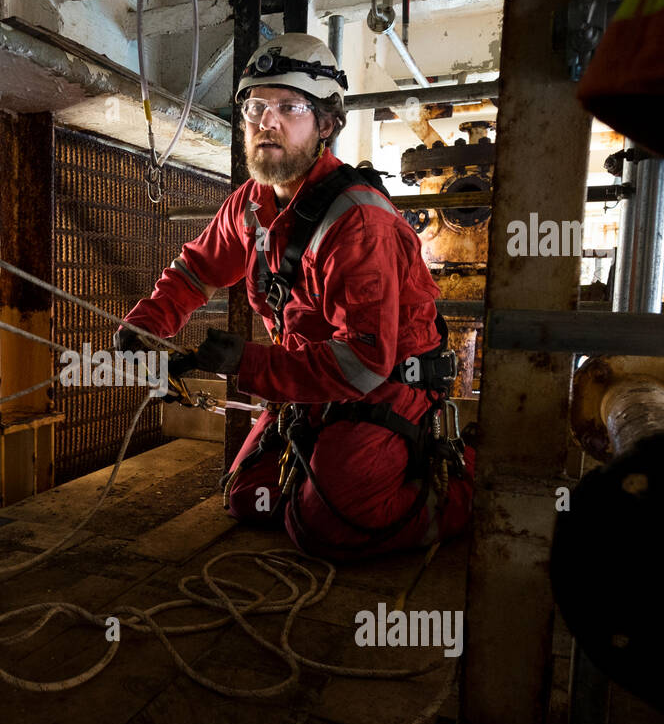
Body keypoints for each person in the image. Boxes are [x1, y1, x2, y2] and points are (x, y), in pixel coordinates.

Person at [114, 33, 475, 560]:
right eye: (256, 108)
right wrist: (145, 326)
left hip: (385, 388)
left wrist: (249, 363)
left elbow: (363, 364)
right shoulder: (250, 204)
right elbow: (196, 270)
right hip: (307, 381)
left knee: (327, 525)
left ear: (325, 125)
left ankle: (471, 484)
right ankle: (326, 474)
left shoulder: (359, 222)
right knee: (247, 498)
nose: (268, 122)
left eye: (290, 107)